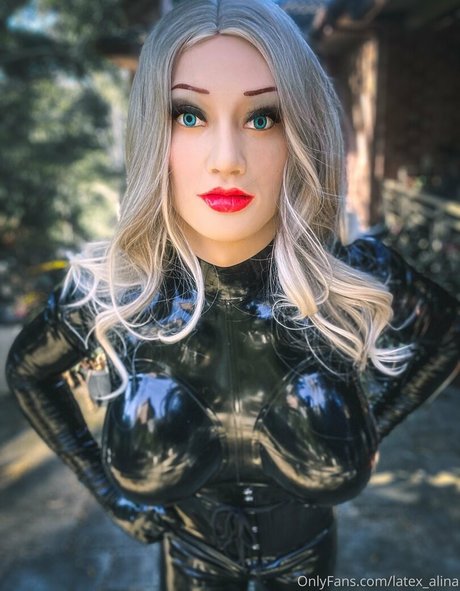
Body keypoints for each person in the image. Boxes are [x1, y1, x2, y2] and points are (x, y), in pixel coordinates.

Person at [6, 1, 459, 589]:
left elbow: (447, 333)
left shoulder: (349, 278)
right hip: (190, 563)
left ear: (303, 132)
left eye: (263, 117)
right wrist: (110, 495)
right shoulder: (117, 292)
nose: (227, 160)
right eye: (189, 115)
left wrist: (377, 421)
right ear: (151, 131)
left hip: (308, 563)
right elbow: (28, 372)